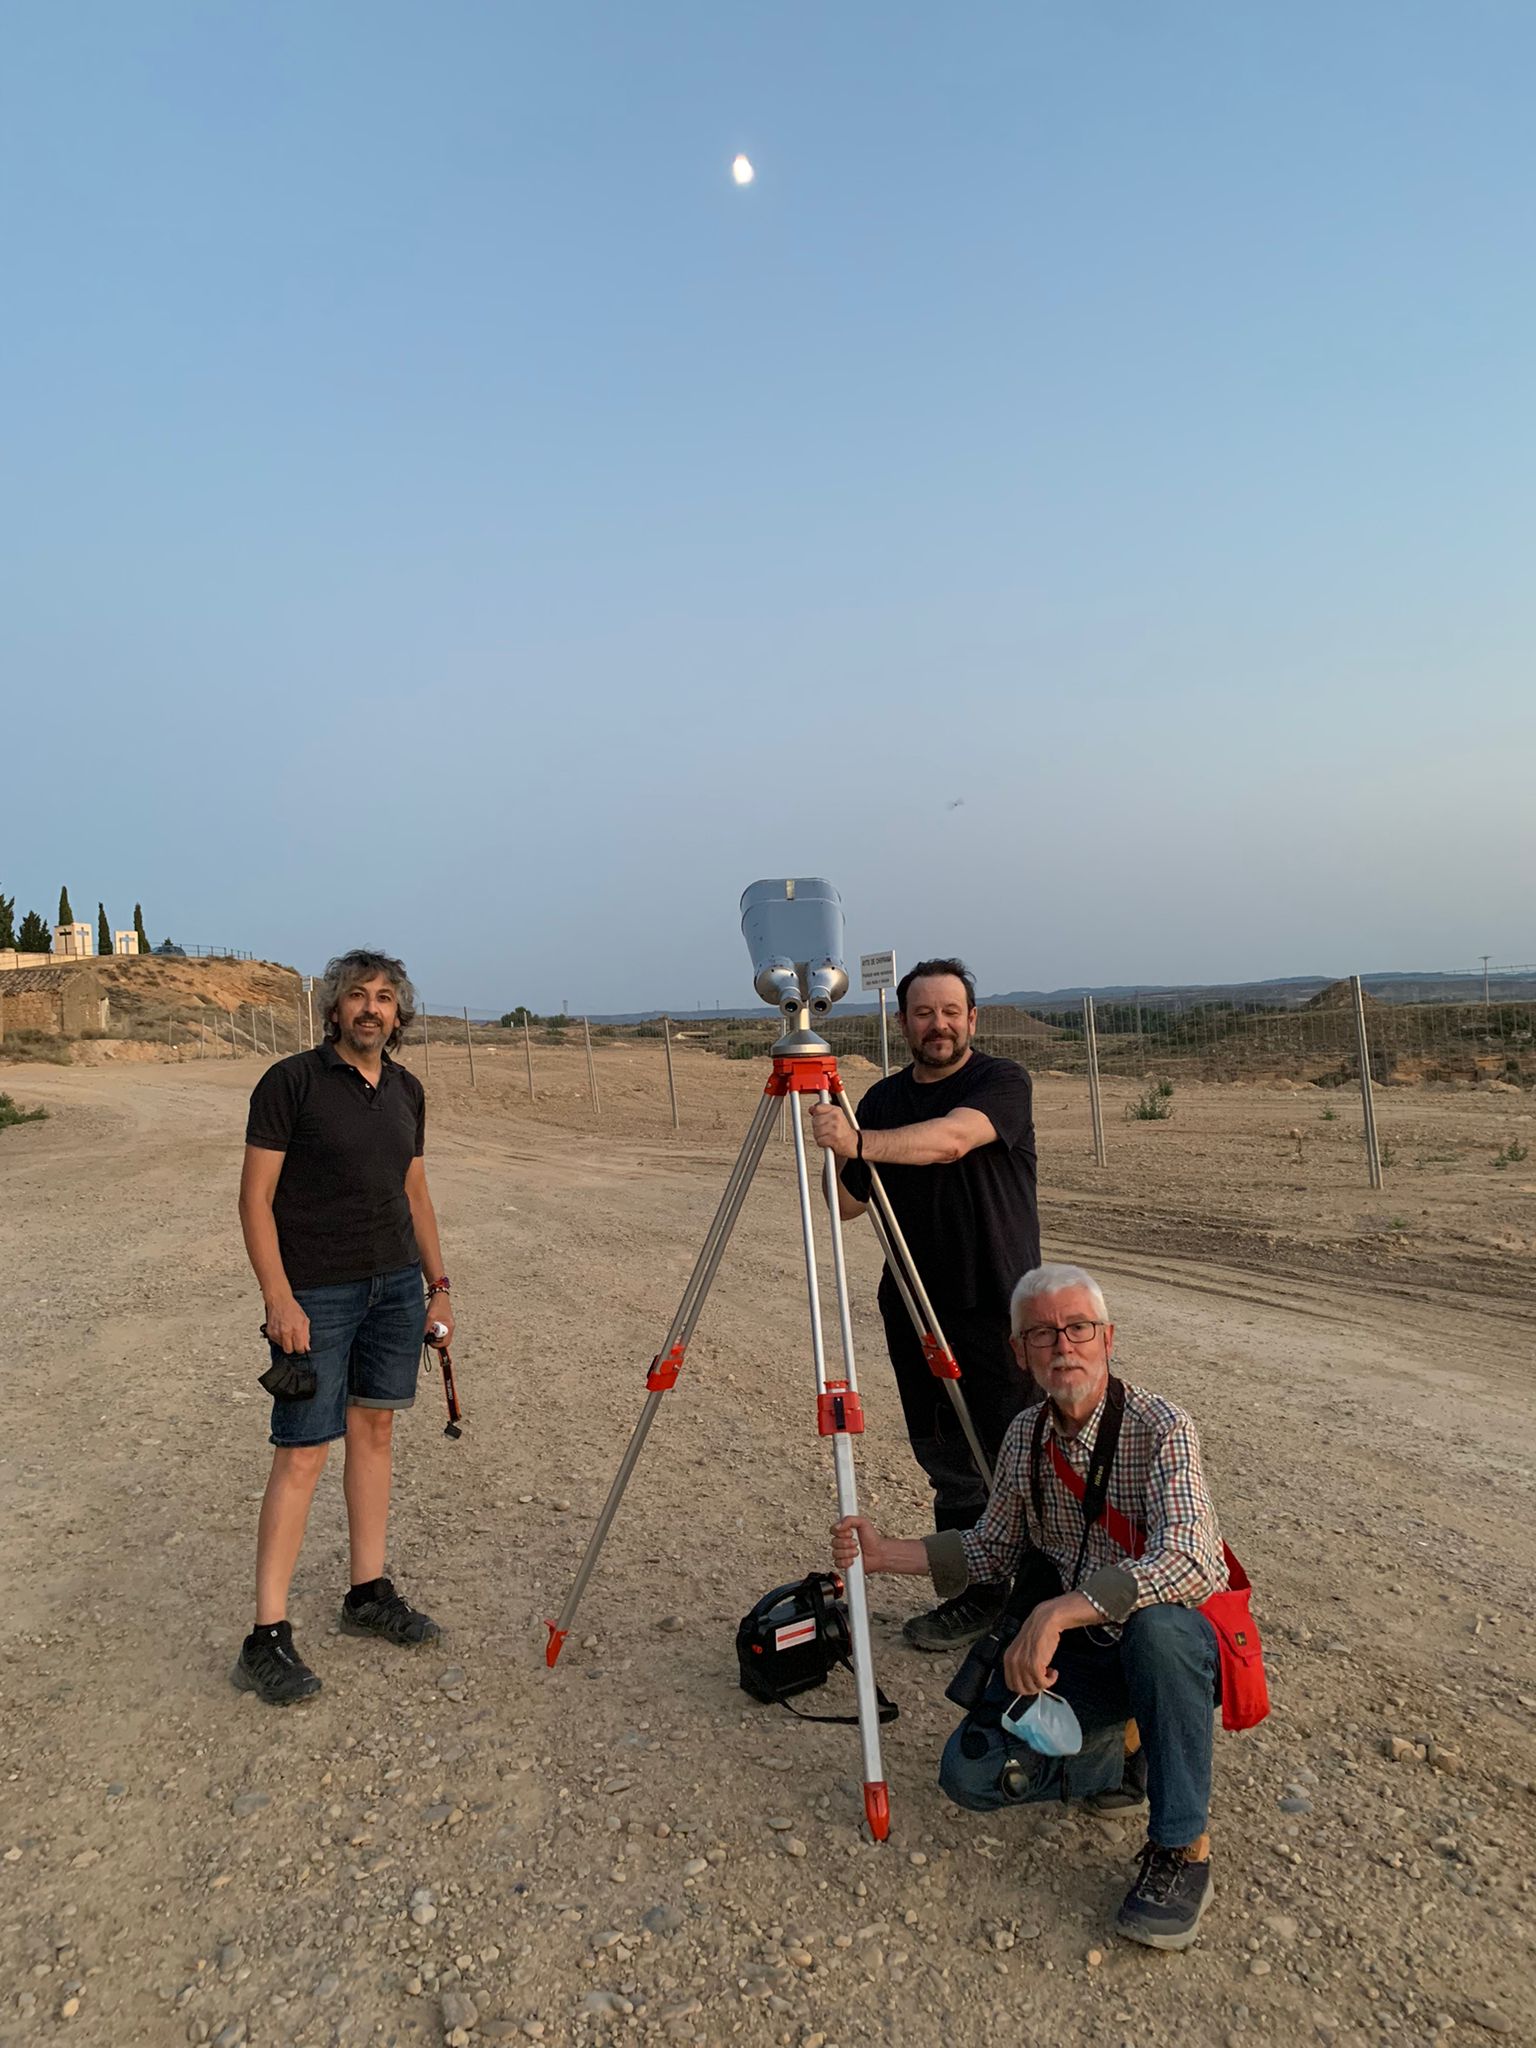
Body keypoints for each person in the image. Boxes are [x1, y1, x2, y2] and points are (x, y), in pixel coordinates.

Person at [831, 1263, 1228, 1952]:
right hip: (1086, 1657)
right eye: (1042, 1334)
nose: (1062, 1346)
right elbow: (992, 1548)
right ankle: (1130, 1750)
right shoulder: (1026, 1436)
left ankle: (1181, 1845)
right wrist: (883, 1553)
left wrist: (1056, 1614)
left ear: (1108, 1339)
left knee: (1161, 1633)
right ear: (1020, 1352)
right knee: (970, 1775)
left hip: (1165, 1649)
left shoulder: (1162, 1427)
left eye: (1079, 1328)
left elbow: (1194, 1561)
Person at [232, 949, 454, 1705]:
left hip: (394, 1288)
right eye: (357, 994)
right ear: (334, 1009)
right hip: (316, 1297)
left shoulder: (407, 1090)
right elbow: (254, 1199)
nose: (371, 1007)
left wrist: (438, 1288)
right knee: (301, 1454)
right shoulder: (291, 1082)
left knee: (376, 1432)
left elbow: (415, 1194)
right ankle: (265, 1637)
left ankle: (366, 1593)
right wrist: (278, 1297)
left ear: (399, 1014)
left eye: (385, 997)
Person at [809, 958, 1040, 1651]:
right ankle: (976, 1595)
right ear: (903, 1021)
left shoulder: (1001, 1082)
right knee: (948, 1459)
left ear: (972, 1019)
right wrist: (829, 1144)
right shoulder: (881, 1101)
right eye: (923, 1013)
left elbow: (951, 1141)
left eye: (950, 1012)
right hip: (914, 1304)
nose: (937, 1025)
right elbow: (847, 1205)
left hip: (999, 1303)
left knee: (1016, 1452)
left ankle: (1040, 1594)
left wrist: (859, 1141)